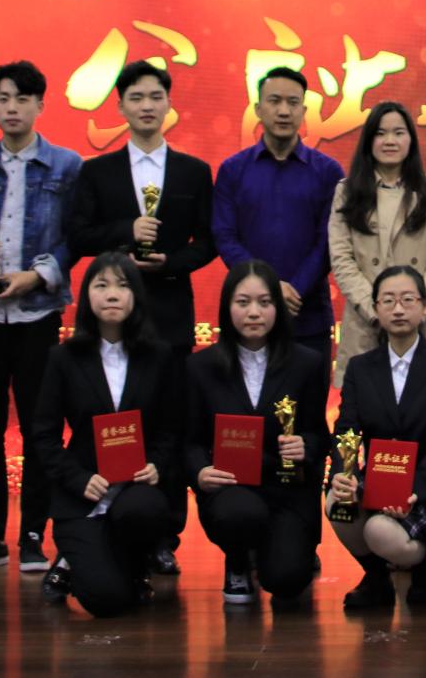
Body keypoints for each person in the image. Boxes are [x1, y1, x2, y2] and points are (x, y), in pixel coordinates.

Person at [66, 58, 216, 574]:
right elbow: (79, 235)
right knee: (114, 416)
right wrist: (123, 235)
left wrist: (170, 262)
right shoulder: (96, 171)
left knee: (169, 423)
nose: (147, 106)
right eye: (136, 98)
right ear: (120, 106)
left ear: (169, 104)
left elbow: (208, 243)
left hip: (170, 314)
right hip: (111, 318)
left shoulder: (194, 171)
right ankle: (108, 519)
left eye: (155, 97)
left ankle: (165, 535)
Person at [0, 61, 82, 574]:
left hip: (37, 313)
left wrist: (39, 274)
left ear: (40, 105)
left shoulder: (67, 166)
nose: (12, 108)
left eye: (22, 99)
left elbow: (75, 237)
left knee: (38, 427)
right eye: (3, 98)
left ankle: (32, 537)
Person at [30, 253, 180, 617]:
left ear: (136, 296)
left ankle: (134, 563)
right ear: (87, 296)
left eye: (123, 285)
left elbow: (171, 426)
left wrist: (157, 464)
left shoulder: (159, 356)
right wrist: (78, 478)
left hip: (137, 492)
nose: (112, 294)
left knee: (144, 510)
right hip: (84, 494)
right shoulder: (64, 358)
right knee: (106, 601)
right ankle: (69, 561)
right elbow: (45, 435)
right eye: (101, 285)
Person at [326, 266, 426, 611]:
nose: (398, 309)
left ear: (425, 307)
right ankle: (376, 578)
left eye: (408, 300)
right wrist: (344, 472)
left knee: (379, 531)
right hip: (378, 482)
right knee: (336, 503)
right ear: (376, 309)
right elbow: (347, 428)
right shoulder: (361, 367)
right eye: (388, 300)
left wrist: (415, 488)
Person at [186, 260, 330, 606]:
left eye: (264, 303)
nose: (254, 312)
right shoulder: (200, 367)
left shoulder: (307, 363)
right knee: (239, 515)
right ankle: (237, 558)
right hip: (231, 490)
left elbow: (319, 435)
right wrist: (200, 472)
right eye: (243, 302)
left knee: (286, 581)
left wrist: (306, 446)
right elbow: (190, 440)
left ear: (278, 308)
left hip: (286, 491)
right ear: (227, 307)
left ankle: (273, 552)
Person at [214, 67, 346, 379]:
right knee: (244, 404)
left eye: (292, 102)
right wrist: (267, 290)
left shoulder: (328, 172)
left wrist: (295, 288)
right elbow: (224, 235)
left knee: (307, 407)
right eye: (274, 101)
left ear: (304, 110)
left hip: (307, 314)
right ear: (258, 109)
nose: (284, 111)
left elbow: (330, 241)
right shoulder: (233, 170)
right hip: (247, 319)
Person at [328, 101, 426, 387]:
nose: (390, 141)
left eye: (398, 132)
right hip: (366, 319)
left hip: (422, 319)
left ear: (411, 139)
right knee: (366, 403)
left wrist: (420, 304)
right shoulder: (347, 191)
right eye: (380, 133)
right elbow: (342, 259)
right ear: (368, 140)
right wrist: (376, 309)